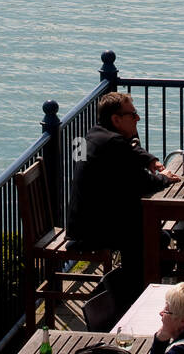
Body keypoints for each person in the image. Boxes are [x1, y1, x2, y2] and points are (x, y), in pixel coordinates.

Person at [67, 92, 178, 307]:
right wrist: (164, 178)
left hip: (81, 222)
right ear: (116, 119)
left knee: (155, 238)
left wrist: (150, 160)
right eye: (133, 115)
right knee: (156, 241)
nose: (138, 119)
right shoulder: (114, 144)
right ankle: (127, 295)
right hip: (93, 230)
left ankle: (132, 290)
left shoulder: (94, 135)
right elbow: (144, 183)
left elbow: (132, 148)